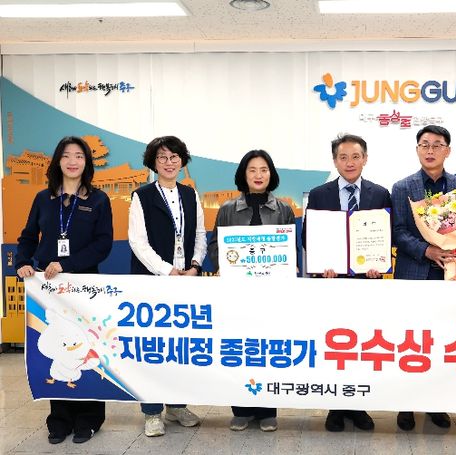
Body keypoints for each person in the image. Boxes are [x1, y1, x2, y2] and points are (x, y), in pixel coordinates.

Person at [16, 136, 113, 445]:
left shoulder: (98, 200)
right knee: (57, 346)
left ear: (87, 163)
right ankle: (59, 419)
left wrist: (66, 263)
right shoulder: (43, 198)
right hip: (50, 289)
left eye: (79, 156)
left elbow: (103, 244)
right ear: (58, 161)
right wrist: (23, 262)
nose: (73, 161)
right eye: (67, 156)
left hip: (85, 287)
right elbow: (28, 236)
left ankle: (89, 419)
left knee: (84, 346)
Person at [304, 134, 391, 432]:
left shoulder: (380, 194)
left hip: (366, 284)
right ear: (335, 161)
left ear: (365, 159)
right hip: (332, 284)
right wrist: (321, 266)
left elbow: (385, 236)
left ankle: (357, 406)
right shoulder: (319, 194)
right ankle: (335, 407)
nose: (350, 162)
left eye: (355, 156)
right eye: (343, 157)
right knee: (334, 345)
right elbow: (308, 236)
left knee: (361, 344)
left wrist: (377, 264)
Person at [208, 149, 295, 432]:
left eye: (264, 170)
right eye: (252, 170)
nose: (258, 175)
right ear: (243, 175)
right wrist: (224, 265)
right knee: (240, 348)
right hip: (237, 293)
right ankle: (241, 409)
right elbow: (215, 245)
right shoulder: (227, 209)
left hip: (272, 294)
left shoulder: (283, 209)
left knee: (268, 349)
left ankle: (268, 410)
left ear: (271, 174)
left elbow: (290, 249)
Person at [128, 136, 206, 437]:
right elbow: (138, 242)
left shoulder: (190, 194)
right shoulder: (142, 196)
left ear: (182, 161)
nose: (169, 162)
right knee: (152, 348)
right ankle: (151, 412)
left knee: (180, 347)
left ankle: (176, 406)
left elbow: (200, 233)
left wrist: (195, 266)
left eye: (174, 157)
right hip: (153, 282)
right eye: (162, 157)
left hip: (185, 282)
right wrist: (167, 270)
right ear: (153, 163)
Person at [391, 124, 456, 431]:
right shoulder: (402, 187)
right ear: (417, 149)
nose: (430, 150)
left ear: (448, 150)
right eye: (425, 145)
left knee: (442, 340)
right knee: (410, 341)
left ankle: (436, 403)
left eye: (437, 145)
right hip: (413, 273)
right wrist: (427, 250)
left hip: (449, 275)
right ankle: (406, 405)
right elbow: (398, 231)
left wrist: (454, 248)